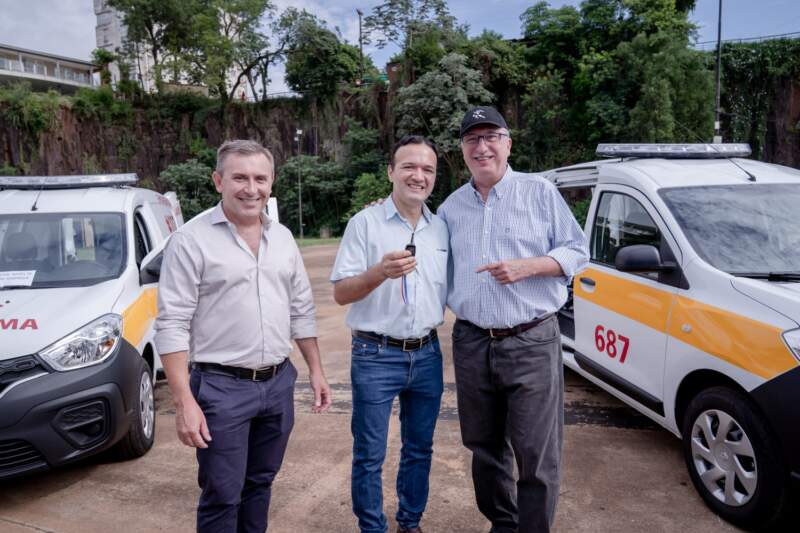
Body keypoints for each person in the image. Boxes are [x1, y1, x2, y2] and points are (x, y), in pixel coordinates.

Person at [154, 139, 332, 533]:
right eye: (240, 177)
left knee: (260, 485)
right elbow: (172, 324)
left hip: (278, 383)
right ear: (218, 180)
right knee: (222, 493)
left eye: (259, 178)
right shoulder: (190, 240)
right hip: (221, 388)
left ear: (271, 184)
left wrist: (315, 370)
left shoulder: (283, 238)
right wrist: (184, 402)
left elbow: (300, 307)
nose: (251, 188)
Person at [437, 107, 589, 533]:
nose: (481, 147)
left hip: (531, 339)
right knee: (484, 446)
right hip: (471, 341)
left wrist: (532, 266)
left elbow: (578, 251)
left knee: (535, 450)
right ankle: (503, 524)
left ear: (507, 143)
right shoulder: (450, 208)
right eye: (472, 139)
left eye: (492, 136)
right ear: (463, 150)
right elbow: (420, 244)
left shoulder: (538, 192)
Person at [331, 135, 449, 533]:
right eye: (409, 167)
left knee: (419, 449)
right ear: (391, 172)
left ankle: (410, 523)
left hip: (428, 354)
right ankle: (372, 528)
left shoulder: (442, 228)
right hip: (375, 355)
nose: (419, 176)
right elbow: (340, 293)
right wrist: (378, 272)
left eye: (427, 169)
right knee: (370, 453)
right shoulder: (364, 224)